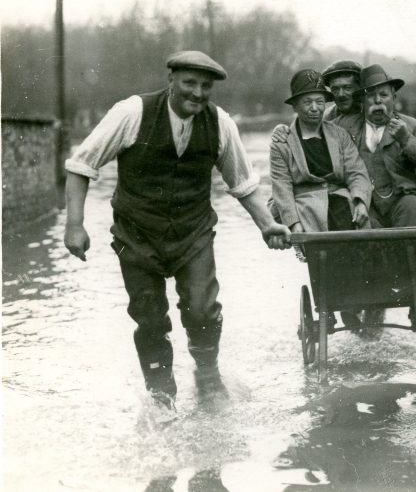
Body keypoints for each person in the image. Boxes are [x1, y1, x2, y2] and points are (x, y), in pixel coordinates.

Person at [63, 50, 291, 418]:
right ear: (171, 80)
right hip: (137, 235)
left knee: (202, 308)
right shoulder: (132, 112)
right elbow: (81, 164)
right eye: (189, 83)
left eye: (205, 86)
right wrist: (74, 225)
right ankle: (161, 397)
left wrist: (267, 225)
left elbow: (243, 182)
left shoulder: (220, 124)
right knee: (149, 317)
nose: (197, 93)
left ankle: (208, 376)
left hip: (193, 234)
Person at [333, 64, 416, 229]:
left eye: (384, 94)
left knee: (414, 205)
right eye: (371, 95)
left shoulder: (412, 126)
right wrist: (284, 132)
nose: (378, 100)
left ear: (394, 98)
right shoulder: (343, 126)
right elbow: (315, 132)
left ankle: (410, 252)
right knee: (349, 212)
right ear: (362, 100)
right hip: (365, 205)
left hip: (402, 204)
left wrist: (406, 139)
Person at [269, 68, 371, 235]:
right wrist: (294, 224)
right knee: (322, 257)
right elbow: (282, 186)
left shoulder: (339, 135)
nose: (315, 108)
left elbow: (356, 171)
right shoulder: (282, 143)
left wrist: (361, 202)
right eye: (308, 102)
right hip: (305, 209)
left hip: (343, 206)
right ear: (295, 106)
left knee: (358, 253)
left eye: (320, 101)